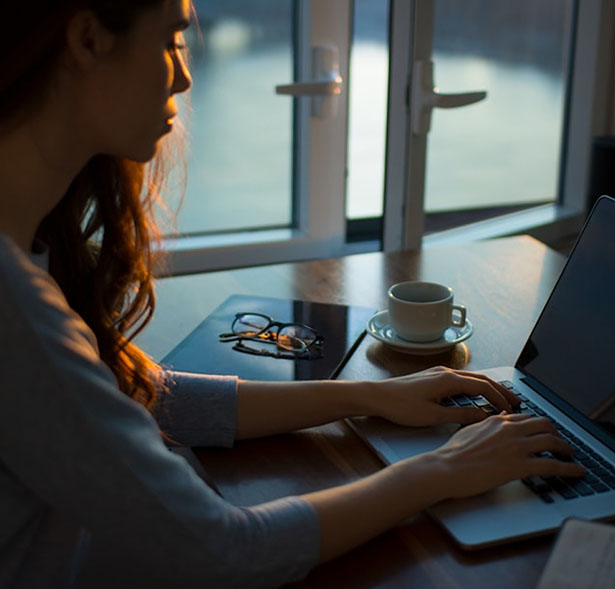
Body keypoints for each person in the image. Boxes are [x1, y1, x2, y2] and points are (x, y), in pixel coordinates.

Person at [0, 1, 585, 587]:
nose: (184, 73)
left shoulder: (25, 257)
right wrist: (441, 470)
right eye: (172, 39)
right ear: (87, 38)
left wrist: (368, 398)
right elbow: (226, 550)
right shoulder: (19, 313)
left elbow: (139, 396)